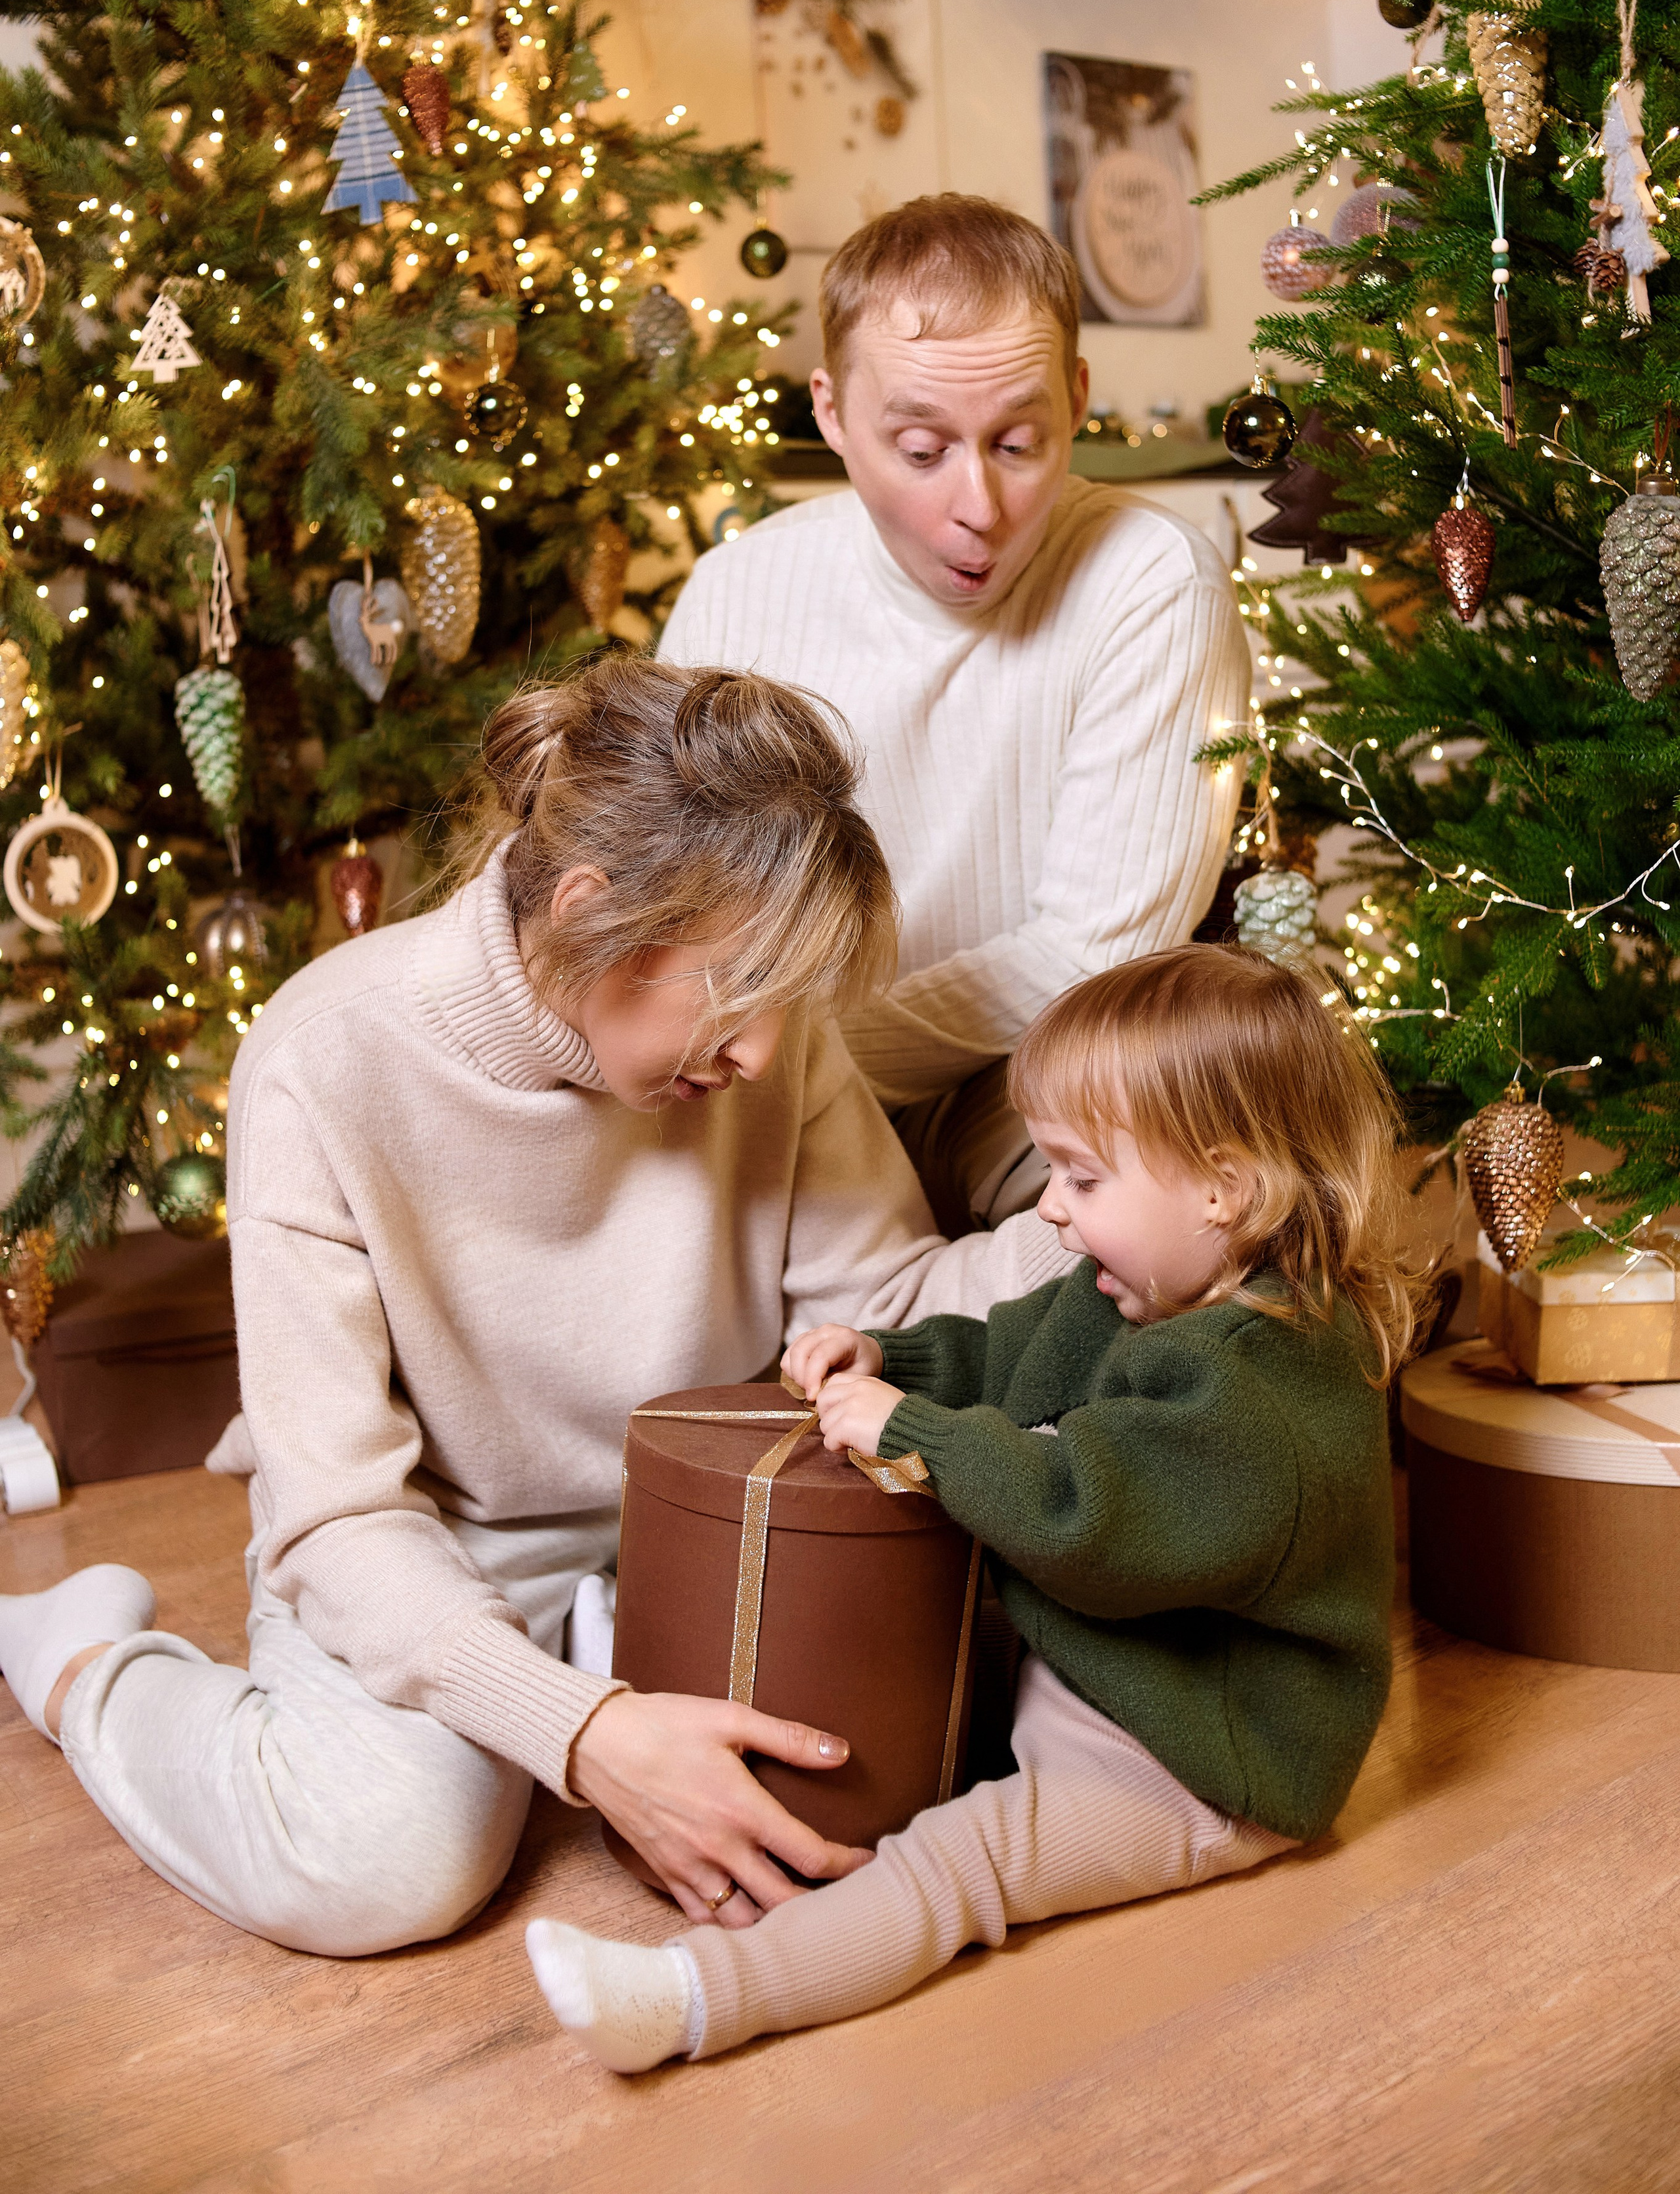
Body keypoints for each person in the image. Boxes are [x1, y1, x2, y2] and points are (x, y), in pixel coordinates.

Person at [0, 662, 1070, 1956]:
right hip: (429, 1530)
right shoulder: (324, 1055)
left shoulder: (754, 1046)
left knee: (956, 1739)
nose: (765, 1060)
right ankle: (85, 1668)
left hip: (695, 1507)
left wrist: (1093, 1232)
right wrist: (581, 1734)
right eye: (737, 1004)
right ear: (585, 911)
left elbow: (890, 1310)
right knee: (386, 1863)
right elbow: (340, 1513)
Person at [524, 942, 1411, 2071]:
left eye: (1084, 1180)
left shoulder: (1261, 1385)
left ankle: (697, 2000)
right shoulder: (1139, 1289)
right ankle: (668, 1671)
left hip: (1190, 1753)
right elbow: (1005, 1353)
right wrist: (888, 1356)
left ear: (1222, 1190)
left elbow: (1087, 1516)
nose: (1051, 1209)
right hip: (1106, 1665)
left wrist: (913, 1433)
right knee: (893, 1657)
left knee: (959, 1867)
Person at [660, 194, 1251, 1236]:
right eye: (923, 452)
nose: (978, 504)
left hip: (1029, 1096)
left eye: (1020, 443)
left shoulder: (1155, 579)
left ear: (1076, 398)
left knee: (1177, 1245)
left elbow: (1092, 952)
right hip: (762, 1095)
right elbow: (676, 902)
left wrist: (804, 1067)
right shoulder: (736, 589)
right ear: (833, 412)